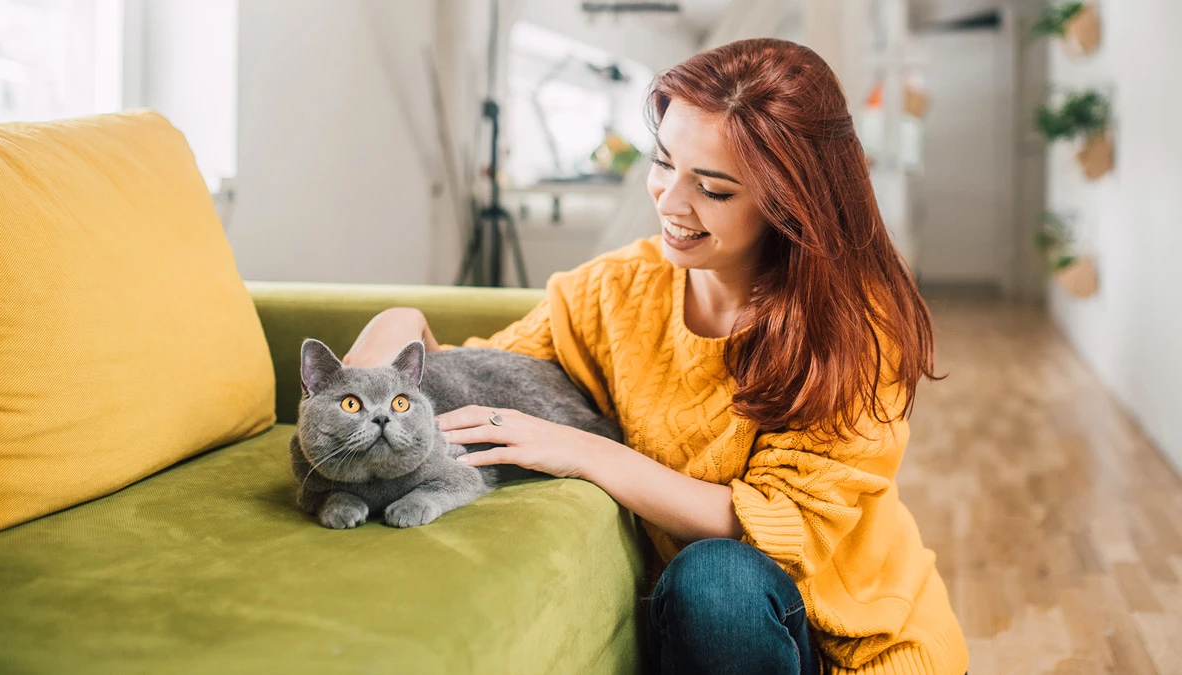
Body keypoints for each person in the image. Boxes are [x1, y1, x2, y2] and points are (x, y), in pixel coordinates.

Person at [344, 38, 968, 675]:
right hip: (715, 642)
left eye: (715, 190)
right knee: (712, 587)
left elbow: (787, 528)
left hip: (862, 643)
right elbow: (476, 382)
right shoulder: (613, 290)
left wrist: (585, 451)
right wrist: (397, 330)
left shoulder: (854, 327)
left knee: (717, 578)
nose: (670, 201)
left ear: (789, 202)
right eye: (664, 162)